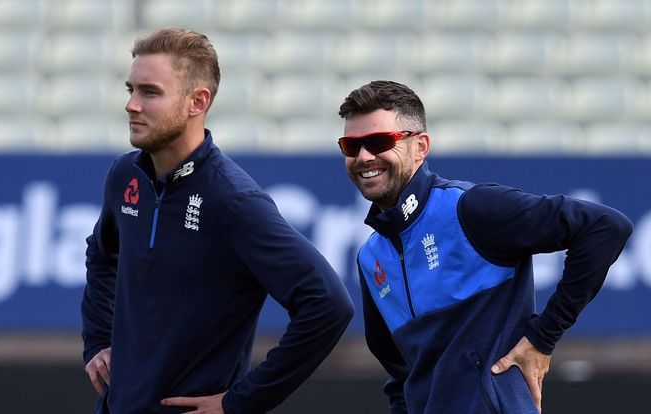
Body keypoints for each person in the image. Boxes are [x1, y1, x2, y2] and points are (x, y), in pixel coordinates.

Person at [81, 27, 354, 414]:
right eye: (131, 89)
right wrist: (97, 340)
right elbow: (101, 255)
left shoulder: (235, 202)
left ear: (197, 101)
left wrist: (242, 402)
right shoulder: (125, 175)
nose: (131, 105)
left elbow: (328, 305)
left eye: (150, 92)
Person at [336, 80, 633, 414]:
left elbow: (606, 227)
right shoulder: (370, 257)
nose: (364, 157)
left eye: (379, 142)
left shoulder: (470, 209)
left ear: (420, 147)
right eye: (351, 146)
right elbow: (402, 376)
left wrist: (542, 338)